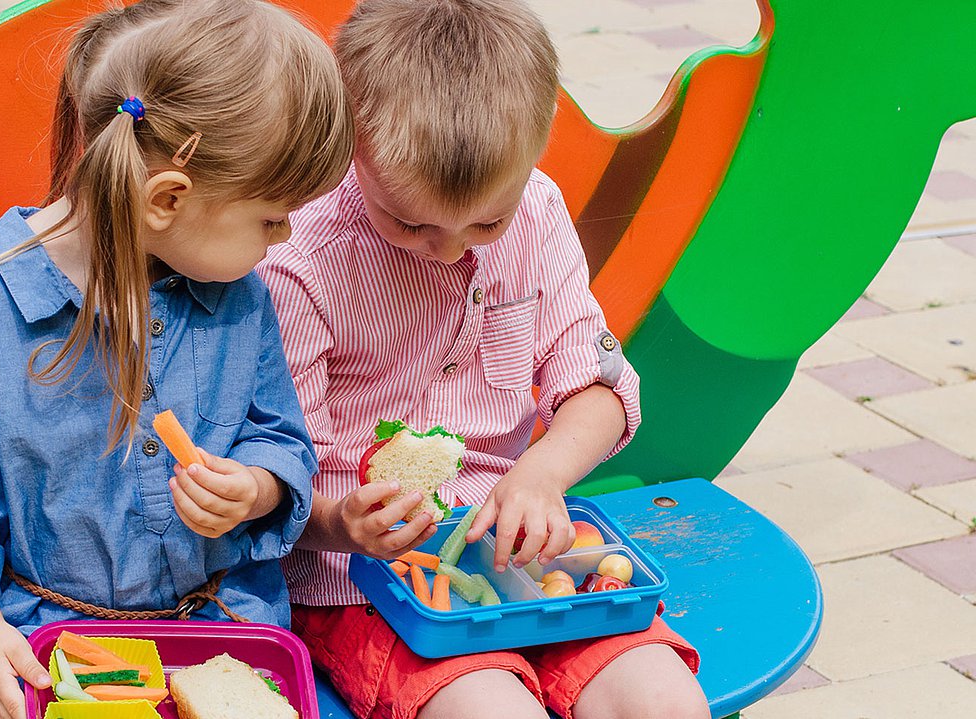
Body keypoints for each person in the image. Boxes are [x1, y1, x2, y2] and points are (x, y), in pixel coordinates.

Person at [0, 1, 354, 717]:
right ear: (168, 198)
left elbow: (278, 436)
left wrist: (256, 488)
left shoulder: (240, 297)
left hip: (221, 634)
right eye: (271, 216)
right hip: (42, 645)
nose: (287, 236)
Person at [256, 0, 707, 717]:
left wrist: (542, 471)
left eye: (485, 221)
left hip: (522, 550)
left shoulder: (537, 210)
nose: (453, 247)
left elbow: (599, 388)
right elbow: (273, 472)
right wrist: (340, 520)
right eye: (410, 221)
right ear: (353, 145)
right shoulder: (301, 259)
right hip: (364, 581)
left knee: (664, 698)